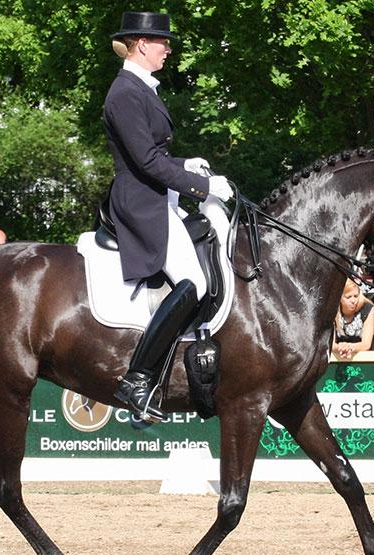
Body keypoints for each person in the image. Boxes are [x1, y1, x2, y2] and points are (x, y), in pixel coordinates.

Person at [104, 11, 232, 421]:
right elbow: (144, 161)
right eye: (163, 42)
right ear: (142, 44)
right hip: (141, 201)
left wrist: (186, 163)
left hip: (156, 194)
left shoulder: (141, 89)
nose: (168, 48)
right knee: (192, 282)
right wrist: (204, 188)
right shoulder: (125, 92)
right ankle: (138, 378)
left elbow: (155, 155)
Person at [333, 279, 374, 360]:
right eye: (348, 297)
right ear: (340, 297)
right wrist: (340, 348)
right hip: (340, 358)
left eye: (356, 296)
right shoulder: (333, 311)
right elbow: (330, 344)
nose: (353, 300)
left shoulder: (367, 308)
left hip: (367, 358)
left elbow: (366, 344)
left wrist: (349, 347)